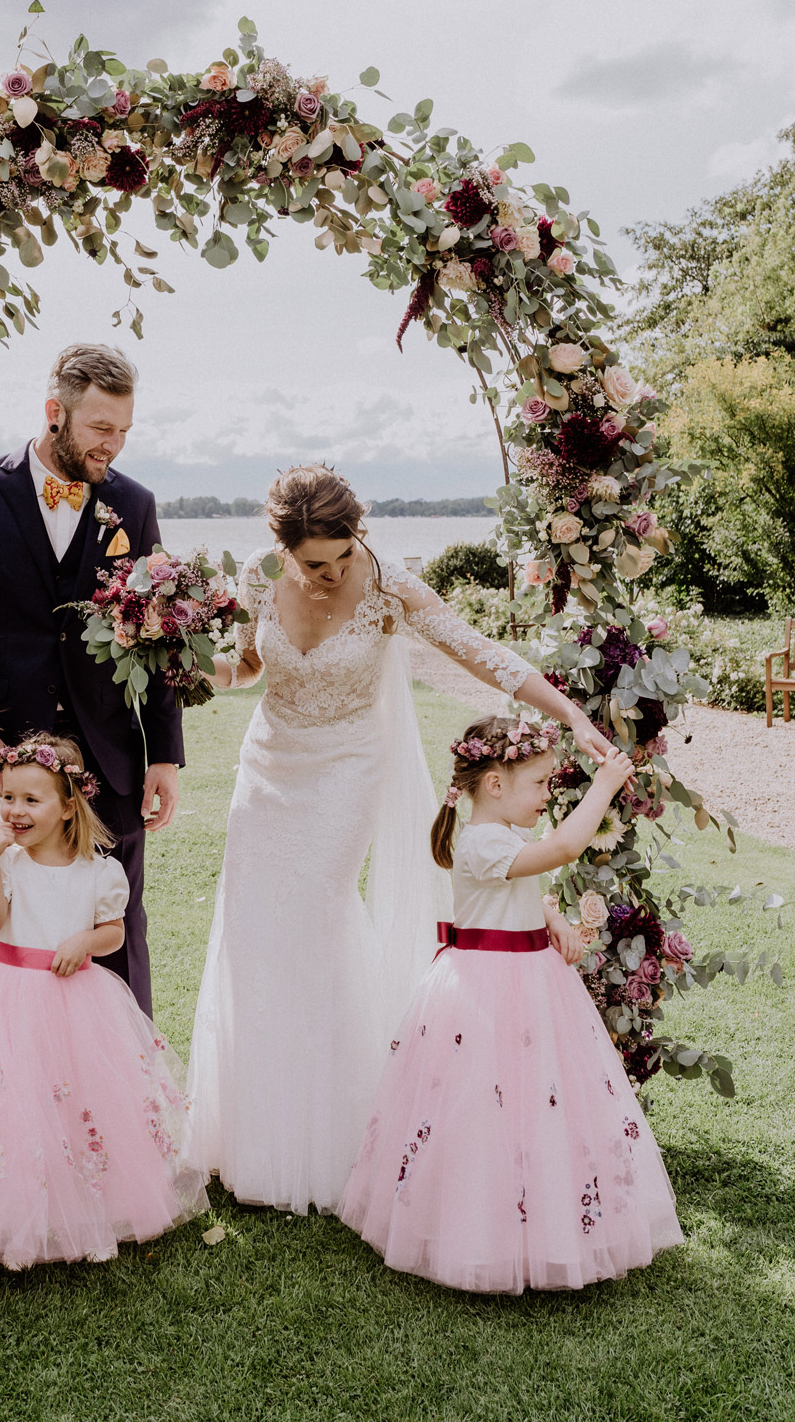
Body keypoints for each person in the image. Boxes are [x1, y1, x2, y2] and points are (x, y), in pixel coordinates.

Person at [185, 464, 614, 1217]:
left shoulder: (388, 584)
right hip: (269, 769)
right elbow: (247, 665)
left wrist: (572, 714)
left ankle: (333, 1132)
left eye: (342, 556)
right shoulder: (257, 577)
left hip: (347, 771)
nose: (331, 574)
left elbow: (481, 652)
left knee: (314, 919)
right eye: (314, 563)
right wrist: (190, 666)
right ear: (281, 550)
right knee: (253, 931)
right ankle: (255, 1134)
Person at [340, 716, 683, 1292]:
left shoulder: (499, 834)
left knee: (536, 1096)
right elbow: (563, 847)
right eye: (540, 783)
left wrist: (553, 921)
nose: (547, 794)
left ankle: (541, 1211)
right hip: (487, 988)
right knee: (484, 1101)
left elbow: (522, 884)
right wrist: (604, 785)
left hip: (531, 974)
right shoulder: (480, 841)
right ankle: (483, 1226)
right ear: (495, 785)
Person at [0, 342, 184, 1016]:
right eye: (100, 428)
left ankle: (123, 1079)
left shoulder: (134, 503)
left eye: (124, 431)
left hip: (111, 757)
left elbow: (158, 634)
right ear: (55, 412)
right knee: (7, 925)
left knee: (116, 930)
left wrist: (165, 756)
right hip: (8, 757)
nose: (113, 446)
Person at [0, 734, 205, 1267]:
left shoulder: (99, 871)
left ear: (67, 806)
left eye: (32, 800)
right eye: (8, 797)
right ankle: (12, 1216)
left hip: (73, 1001)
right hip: (5, 995)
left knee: (74, 1102)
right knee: (12, 1104)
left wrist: (84, 942)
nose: (16, 810)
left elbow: (114, 933)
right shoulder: (6, 863)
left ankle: (86, 1210)